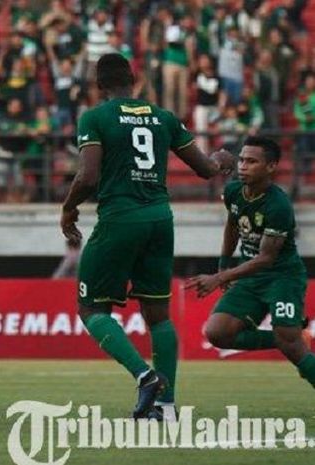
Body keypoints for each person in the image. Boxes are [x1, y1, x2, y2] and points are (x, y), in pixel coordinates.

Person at [59, 54, 234, 420]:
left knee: (91, 308)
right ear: (134, 80)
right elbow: (205, 169)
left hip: (120, 218)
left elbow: (88, 177)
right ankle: (166, 408)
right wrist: (220, 159)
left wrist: (68, 208)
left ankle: (144, 375)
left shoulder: (95, 117)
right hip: (159, 219)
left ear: (99, 85)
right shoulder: (163, 117)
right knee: (158, 316)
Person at [187, 137, 315, 395]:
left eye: (252, 161)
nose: (243, 166)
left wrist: (220, 278)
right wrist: (223, 264)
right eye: (242, 160)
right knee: (217, 333)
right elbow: (233, 225)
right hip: (250, 277)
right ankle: (289, 336)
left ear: (271, 167)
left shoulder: (278, 205)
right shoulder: (234, 191)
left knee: (291, 347)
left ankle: (289, 339)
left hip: (282, 277)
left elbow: (266, 258)